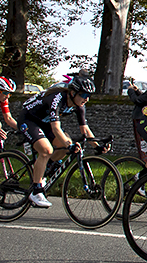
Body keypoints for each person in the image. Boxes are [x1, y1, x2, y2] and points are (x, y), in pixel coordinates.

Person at [18, 74, 98, 208]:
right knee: (46, 150)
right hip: (29, 119)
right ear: (73, 92)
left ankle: (44, 171)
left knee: (64, 145)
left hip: (45, 123)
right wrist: (70, 144)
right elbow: (56, 128)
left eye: (89, 96)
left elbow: (85, 129)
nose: (87, 99)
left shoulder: (79, 104)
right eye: (84, 95)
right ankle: (36, 192)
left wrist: (97, 146)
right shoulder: (57, 98)